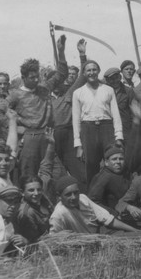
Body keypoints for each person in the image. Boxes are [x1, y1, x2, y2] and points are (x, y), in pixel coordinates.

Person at [7, 32, 69, 181]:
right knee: (29, 176)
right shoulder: (15, 95)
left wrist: (61, 52)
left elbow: (62, 73)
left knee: (55, 174)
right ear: (23, 78)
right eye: (32, 77)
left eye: (37, 77)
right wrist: (16, 127)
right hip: (30, 139)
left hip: (48, 137)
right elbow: (0, 112)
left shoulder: (44, 88)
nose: (36, 80)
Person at [71, 58, 124, 182]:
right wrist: (78, 144)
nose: (92, 73)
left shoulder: (108, 90)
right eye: (88, 70)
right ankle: (93, 192)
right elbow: (76, 119)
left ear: (99, 71)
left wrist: (119, 136)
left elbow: (116, 114)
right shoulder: (78, 92)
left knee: (112, 161)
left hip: (107, 128)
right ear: (84, 73)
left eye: (94, 70)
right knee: (91, 165)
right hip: (88, 129)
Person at [49, 38, 88, 189]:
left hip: (67, 135)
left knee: (79, 171)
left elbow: (83, 76)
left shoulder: (68, 95)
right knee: (54, 173)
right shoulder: (41, 98)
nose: (56, 84)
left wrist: (82, 55)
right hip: (50, 137)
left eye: (58, 81)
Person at [49, 175, 141, 235]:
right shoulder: (58, 215)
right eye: (68, 194)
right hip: (86, 242)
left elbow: (108, 219)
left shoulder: (83, 198)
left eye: (76, 192)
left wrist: (134, 230)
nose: (73, 197)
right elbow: (54, 240)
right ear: (59, 196)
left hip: (101, 232)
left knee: (139, 235)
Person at [87, 144, 131, 217]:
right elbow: (92, 201)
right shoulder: (104, 177)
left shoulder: (125, 173)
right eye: (114, 159)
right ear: (106, 162)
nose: (118, 162)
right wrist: (113, 213)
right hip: (111, 216)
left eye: (121, 159)